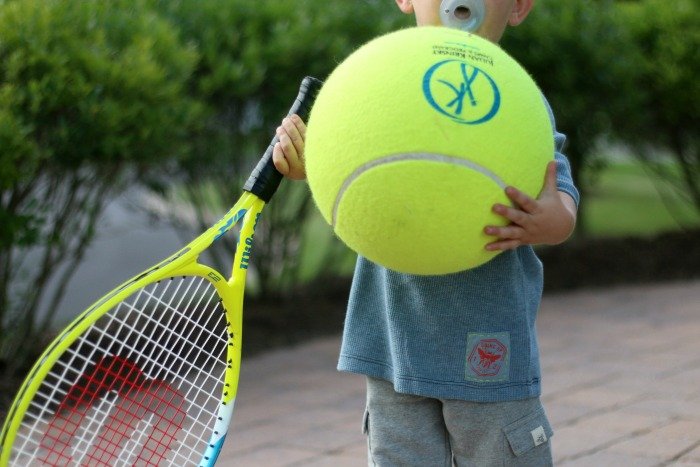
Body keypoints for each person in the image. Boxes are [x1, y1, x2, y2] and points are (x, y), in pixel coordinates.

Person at [272, 0, 579, 465]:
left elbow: (561, 200)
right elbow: (351, 169)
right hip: (393, 341)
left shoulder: (518, 97)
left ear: (518, 7)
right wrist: (309, 163)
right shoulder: (381, 79)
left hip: (485, 340)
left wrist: (550, 220)